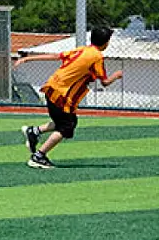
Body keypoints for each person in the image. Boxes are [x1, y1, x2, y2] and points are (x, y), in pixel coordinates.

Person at [14, 27, 124, 169]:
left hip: (51, 88)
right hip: (62, 94)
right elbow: (105, 82)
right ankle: (38, 156)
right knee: (67, 126)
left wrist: (28, 58)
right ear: (106, 43)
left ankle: (34, 132)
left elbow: (56, 57)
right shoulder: (97, 57)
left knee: (65, 121)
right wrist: (117, 75)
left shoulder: (82, 50)